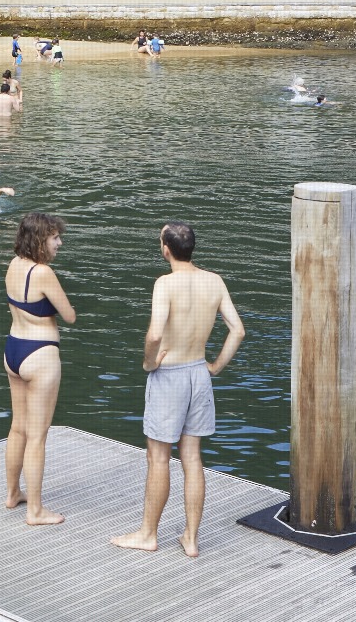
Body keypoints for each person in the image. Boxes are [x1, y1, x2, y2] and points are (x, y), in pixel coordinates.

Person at [111, 222, 245, 557]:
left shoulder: (165, 284)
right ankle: (191, 538)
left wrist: (148, 362)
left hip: (169, 375)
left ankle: (148, 534)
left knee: (158, 457)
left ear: (166, 249)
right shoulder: (214, 281)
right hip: (198, 373)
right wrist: (214, 366)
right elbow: (237, 331)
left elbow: (156, 334)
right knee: (192, 458)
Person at [4, 213, 74, 526]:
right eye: (54, 237)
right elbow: (70, 315)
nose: (59, 242)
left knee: (18, 426)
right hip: (40, 355)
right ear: (40, 240)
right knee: (38, 436)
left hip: (13, 349)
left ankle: (12, 494)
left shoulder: (14, 264)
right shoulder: (43, 272)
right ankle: (35, 510)